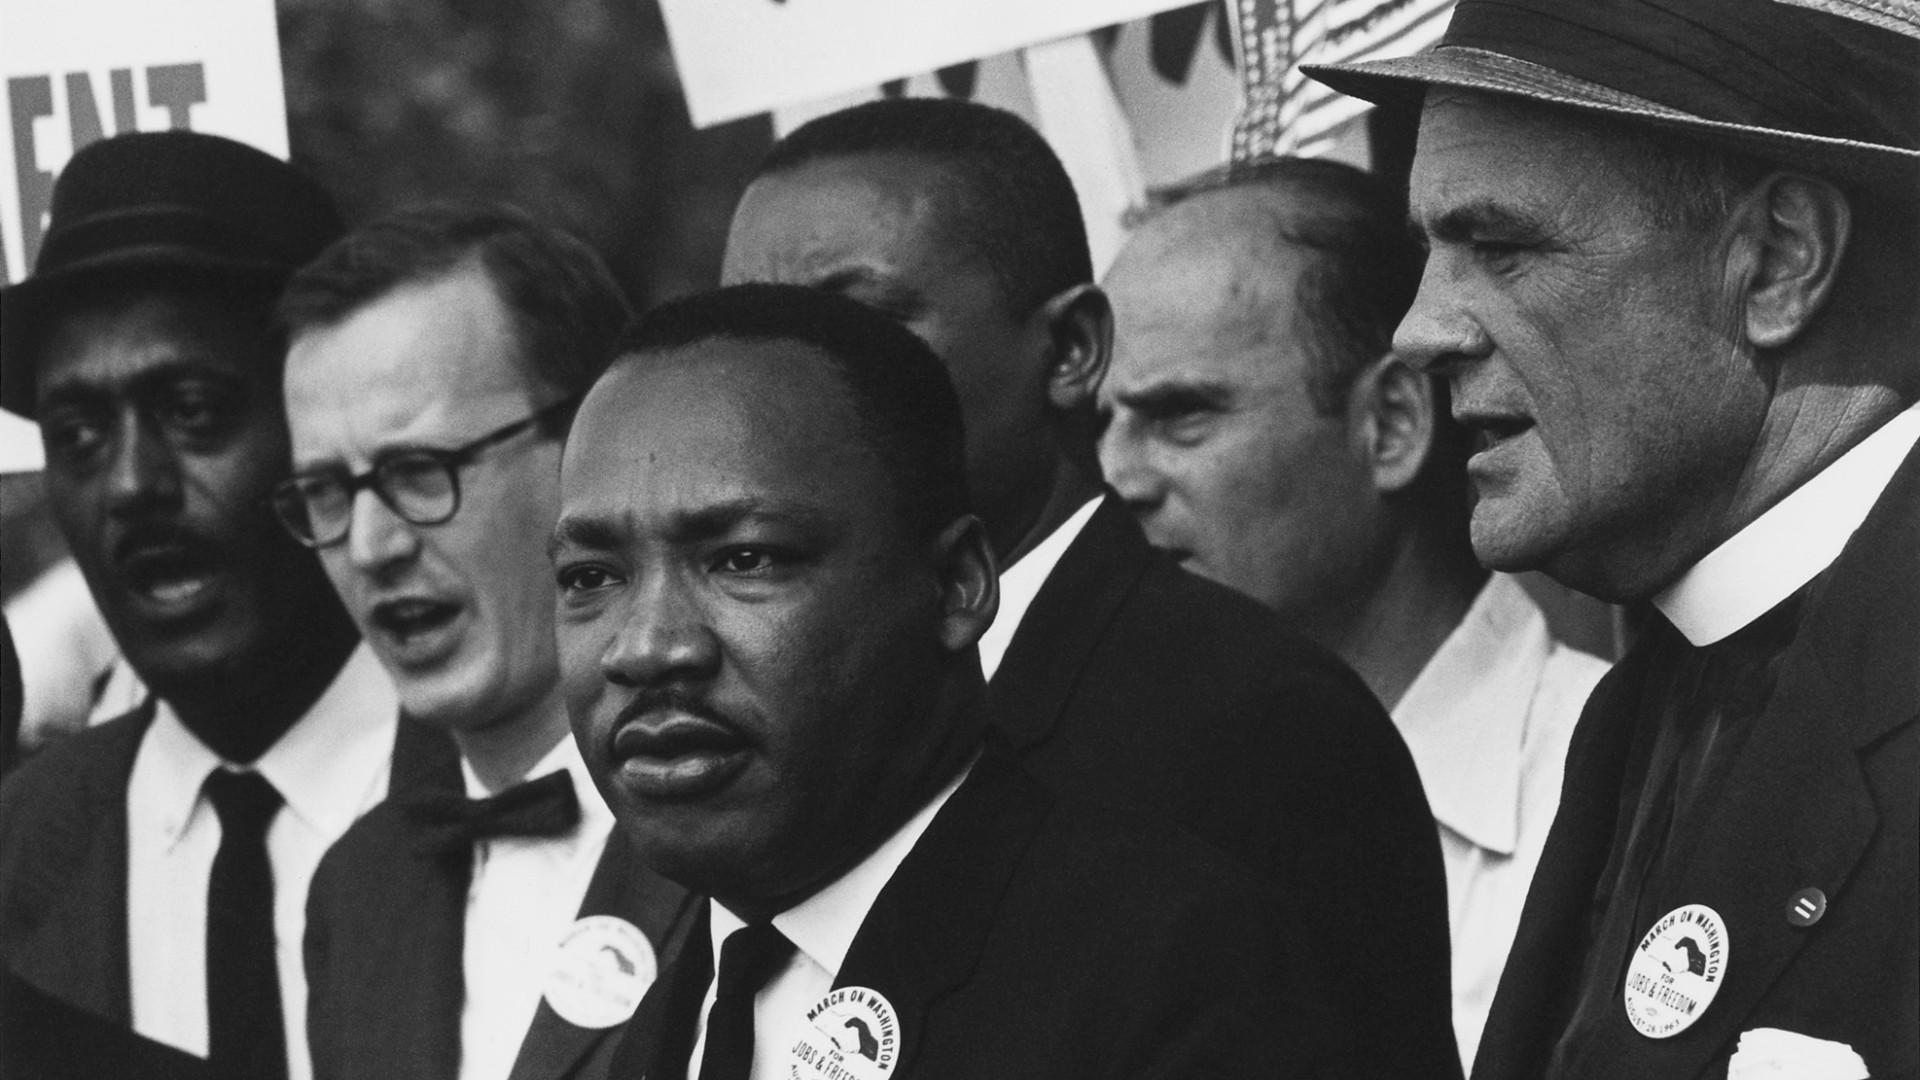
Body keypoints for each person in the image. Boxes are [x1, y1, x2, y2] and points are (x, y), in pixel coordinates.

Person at [720, 96, 1457, 1078]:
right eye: (748, 336)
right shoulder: (779, 715)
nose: (780, 392)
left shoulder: (1254, 721)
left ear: (1070, 351)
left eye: (857, 325)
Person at [1307, 0, 1920, 1075]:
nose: (1420, 328)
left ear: (1779, 261)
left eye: (1500, 244)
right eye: (1430, 249)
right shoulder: (1656, 699)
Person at [556, 283, 1324, 1079]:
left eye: (745, 558)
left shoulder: (1175, 970)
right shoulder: (670, 1018)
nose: (645, 647)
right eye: (589, 576)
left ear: (957, 583)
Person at [1098, 156, 1612, 1072]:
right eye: (1098, 426)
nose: (1117, 477)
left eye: (1179, 415)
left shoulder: (1623, 782)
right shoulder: (1098, 809)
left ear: (1392, 424)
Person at [0, 130, 417, 1080]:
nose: (133, 485)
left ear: (326, 427)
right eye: (78, 433)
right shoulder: (23, 848)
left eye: (193, 411)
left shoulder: (512, 784)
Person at [276, 205, 693, 1080]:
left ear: (594, 440)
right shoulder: (358, 891)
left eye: (418, 471)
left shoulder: (761, 823)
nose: (369, 546)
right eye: (325, 491)